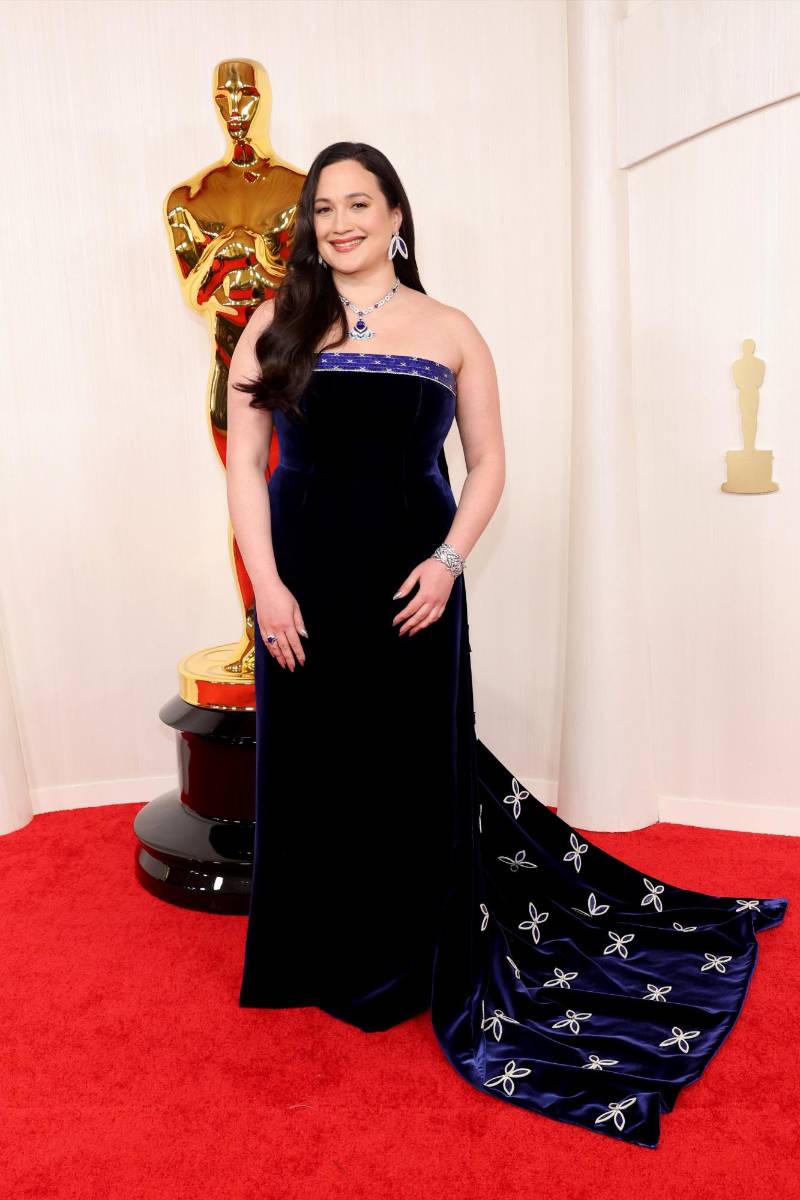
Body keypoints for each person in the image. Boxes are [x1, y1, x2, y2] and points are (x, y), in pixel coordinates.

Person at [224, 141, 787, 1148]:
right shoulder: (275, 321)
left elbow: (487, 463)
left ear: (396, 214)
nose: (339, 223)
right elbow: (244, 463)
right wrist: (265, 586)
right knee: (313, 764)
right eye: (323, 208)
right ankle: (309, 957)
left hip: (414, 587)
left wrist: (448, 562)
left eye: (359, 204)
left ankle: (403, 963)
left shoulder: (451, 329)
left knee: (406, 767)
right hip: (299, 587)